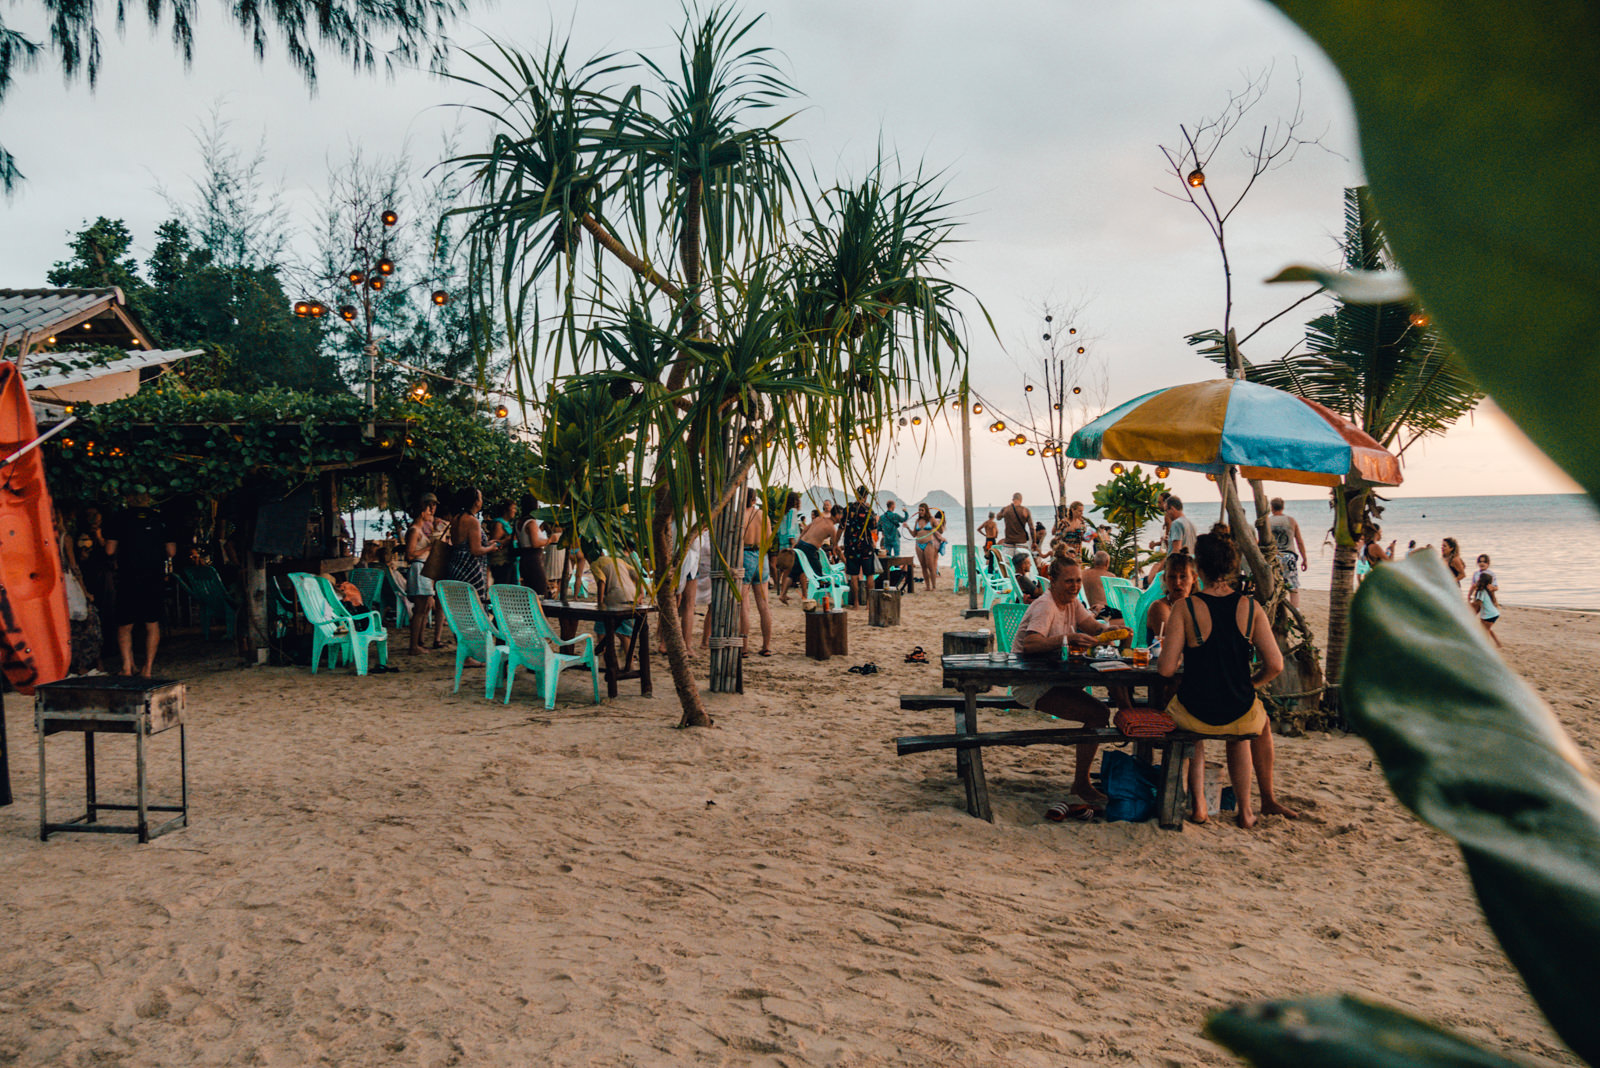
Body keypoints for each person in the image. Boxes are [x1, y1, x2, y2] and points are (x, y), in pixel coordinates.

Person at [1157, 532, 1297, 828]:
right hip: (1237, 706)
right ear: (1232, 567)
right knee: (1243, 732)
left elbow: (1166, 670)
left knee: (1195, 737)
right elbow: (1275, 665)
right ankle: (1246, 811)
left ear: (1200, 569)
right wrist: (1251, 685)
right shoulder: (1251, 608)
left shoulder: (1185, 608)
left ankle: (1200, 807)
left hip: (1196, 708)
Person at [1011, 557, 1121, 806]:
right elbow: (1031, 644)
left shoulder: (1072, 602)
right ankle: (1081, 783)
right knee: (1098, 714)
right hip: (1034, 683)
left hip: (1058, 676)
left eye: (1078, 580)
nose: (1075, 586)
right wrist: (1067, 639)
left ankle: (1132, 718)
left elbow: (1091, 626)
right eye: (1069, 581)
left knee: (1114, 677)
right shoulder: (1046, 605)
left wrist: (1115, 630)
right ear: (1053, 581)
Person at [103, 489, 176, 677]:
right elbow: (171, 551)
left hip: (128, 576)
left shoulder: (119, 518)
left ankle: (127, 666)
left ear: (128, 498)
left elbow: (110, 550)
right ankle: (148, 668)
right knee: (152, 623)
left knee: (125, 624)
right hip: (153, 576)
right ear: (148, 498)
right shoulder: (160, 520)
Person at [447, 487, 506, 603]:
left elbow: (463, 544)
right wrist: (491, 548)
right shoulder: (472, 521)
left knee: (459, 604)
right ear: (476, 502)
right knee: (473, 604)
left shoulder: (456, 518)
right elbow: (476, 550)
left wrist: (487, 543)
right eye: (481, 498)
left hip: (456, 565)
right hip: (470, 568)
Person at [405, 494, 446, 654]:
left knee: (425, 607)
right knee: (420, 609)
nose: (432, 513)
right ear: (423, 511)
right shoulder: (415, 530)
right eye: (429, 510)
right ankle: (414, 645)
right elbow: (410, 554)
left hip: (423, 568)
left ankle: (418, 642)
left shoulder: (421, 529)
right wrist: (429, 548)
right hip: (418, 568)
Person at [740, 491, 774, 655]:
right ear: (754, 500)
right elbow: (768, 538)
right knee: (763, 604)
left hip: (745, 554)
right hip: (761, 556)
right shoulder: (762, 515)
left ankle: (745, 647)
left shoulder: (739, 515)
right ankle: (766, 646)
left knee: (744, 605)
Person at [1144, 550, 1194, 644]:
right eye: (1172, 577)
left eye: (1183, 577)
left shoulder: (1198, 605)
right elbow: (1172, 643)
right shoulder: (1159, 607)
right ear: (1164, 579)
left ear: (1194, 578)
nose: (1177, 582)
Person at [1267, 498, 1309, 608]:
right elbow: (1299, 541)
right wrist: (1304, 559)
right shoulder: (1291, 521)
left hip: (1273, 557)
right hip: (1289, 557)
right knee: (1293, 588)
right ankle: (1296, 612)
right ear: (1283, 507)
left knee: (1273, 586)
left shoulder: (1267, 521)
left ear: (1271, 507)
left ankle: (1275, 611)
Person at [841, 486, 876, 608]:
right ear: (866, 496)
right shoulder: (868, 510)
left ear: (856, 494)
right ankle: (868, 604)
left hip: (851, 546)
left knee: (854, 576)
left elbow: (841, 527)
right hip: (866, 546)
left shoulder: (848, 509)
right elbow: (874, 529)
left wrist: (835, 543)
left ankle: (855, 604)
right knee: (869, 575)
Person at [515, 494, 552, 597]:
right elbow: (535, 543)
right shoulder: (531, 523)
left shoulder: (518, 522)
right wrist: (550, 540)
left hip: (524, 558)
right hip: (533, 559)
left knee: (529, 590)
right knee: (540, 590)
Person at [485, 499, 518, 587]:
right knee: (503, 587)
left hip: (508, 560)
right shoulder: (499, 524)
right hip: (500, 561)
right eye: (513, 508)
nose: (515, 511)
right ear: (505, 510)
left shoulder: (507, 524)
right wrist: (508, 540)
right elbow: (494, 543)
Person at [912, 502, 942, 591]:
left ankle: (934, 586)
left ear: (926, 510)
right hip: (918, 544)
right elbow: (914, 534)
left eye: (922, 510)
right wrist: (907, 528)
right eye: (919, 510)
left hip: (928, 543)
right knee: (923, 566)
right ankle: (927, 586)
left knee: (930, 566)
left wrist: (936, 526)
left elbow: (940, 530)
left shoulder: (931, 519)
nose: (920, 512)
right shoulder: (917, 521)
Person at [997, 492, 1032, 565]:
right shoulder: (1025, 510)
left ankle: (1009, 576)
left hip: (1008, 542)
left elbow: (998, 517)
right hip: (1021, 542)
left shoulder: (1006, 509)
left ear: (1013, 499)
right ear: (1021, 500)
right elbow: (1031, 528)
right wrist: (1034, 542)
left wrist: (1004, 510)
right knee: (1023, 565)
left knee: (1007, 565)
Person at [1470, 571, 1501, 646]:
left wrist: (1471, 611)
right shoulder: (1487, 591)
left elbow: (1478, 605)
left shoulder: (1480, 592)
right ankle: (1498, 643)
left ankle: (1486, 646)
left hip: (1489, 615)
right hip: (1493, 613)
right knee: (1487, 629)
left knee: (1485, 631)